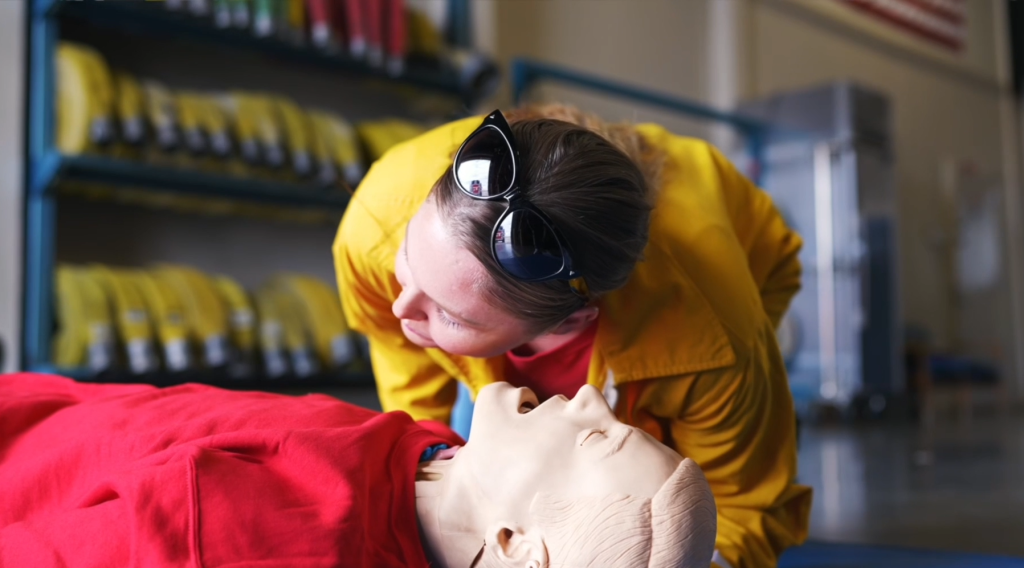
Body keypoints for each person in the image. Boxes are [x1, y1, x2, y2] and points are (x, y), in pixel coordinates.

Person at [334, 104, 812, 568]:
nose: (402, 308)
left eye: (451, 315)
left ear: (570, 323)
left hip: (732, 284)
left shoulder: (711, 342)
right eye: (409, 265)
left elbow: (745, 505)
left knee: (642, 488)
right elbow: (409, 384)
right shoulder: (376, 226)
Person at [0, 373, 717, 568]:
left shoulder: (246, 544)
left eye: (597, 442)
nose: (594, 398)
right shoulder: (440, 468)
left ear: (515, 544)